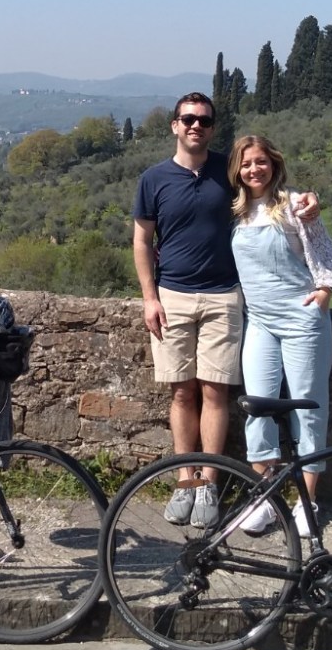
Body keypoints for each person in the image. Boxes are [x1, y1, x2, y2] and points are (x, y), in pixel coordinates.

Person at [133, 95, 318, 528]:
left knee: (215, 392)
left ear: (213, 128)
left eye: (204, 120)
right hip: (172, 296)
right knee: (181, 392)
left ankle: (210, 483)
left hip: (223, 296)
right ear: (174, 126)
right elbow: (142, 241)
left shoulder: (227, 172)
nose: (195, 126)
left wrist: (307, 200)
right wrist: (149, 297)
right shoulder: (153, 179)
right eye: (188, 119)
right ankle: (184, 480)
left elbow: (268, 189)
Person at [226, 134, 332, 535]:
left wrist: (325, 292)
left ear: (273, 165)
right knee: (256, 408)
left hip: (301, 321)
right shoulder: (238, 212)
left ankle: (306, 502)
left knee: (307, 410)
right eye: (246, 164)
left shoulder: (295, 205)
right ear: (237, 171)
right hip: (259, 322)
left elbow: (325, 253)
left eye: (260, 161)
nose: (254, 169)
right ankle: (266, 497)